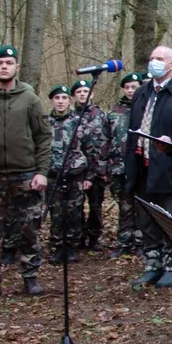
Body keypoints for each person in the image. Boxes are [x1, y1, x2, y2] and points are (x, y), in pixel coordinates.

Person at [0, 45, 52, 300]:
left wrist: (42, 171)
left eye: (9, 63)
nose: (4, 67)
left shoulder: (30, 99)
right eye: (0, 63)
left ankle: (30, 277)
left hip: (25, 174)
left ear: (17, 67)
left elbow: (43, 137)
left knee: (29, 229)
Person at [126, 46, 172, 289]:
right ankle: (152, 263)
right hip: (142, 165)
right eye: (152, 58)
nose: (154, 62)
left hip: (169, 166)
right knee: (146, 218)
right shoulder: (142, 92)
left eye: (159, 59)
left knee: (169, 218)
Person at [45, 85, 98, 263]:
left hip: (75, 174)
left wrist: (89, 176)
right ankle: (58, 246)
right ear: (52, 101)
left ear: (69, 101)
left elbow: (90, 150)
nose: (60, 102)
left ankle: (72, 246)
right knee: (56, 213)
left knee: (74, 212)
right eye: (57, 98)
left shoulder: (79, 122)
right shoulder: (45, 123)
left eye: (64, 98)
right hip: (53, 174)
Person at [106, 72, 143, 258]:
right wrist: (105, 166)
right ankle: (124, 242)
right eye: (127, 87)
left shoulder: (146, 109)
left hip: (140, 166)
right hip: (118, 166)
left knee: (141, 205)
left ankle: (141, 242)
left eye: (134, 87)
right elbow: (105, 140)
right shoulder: (113, 113)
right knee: (124, 206)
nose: (130, 90)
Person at [71, 78, 110, 253]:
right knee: (76, 205)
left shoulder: (100, 115)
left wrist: (104, 167)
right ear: (74, 96)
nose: (82, 95)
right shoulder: (70, 117)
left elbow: (106, 141)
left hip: (97, 168)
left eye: (85, 92)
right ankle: (78, 236)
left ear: (92, 94)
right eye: (79, 92)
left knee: (96, 205)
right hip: (77, 169)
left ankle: (94, 237)